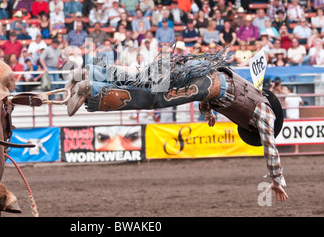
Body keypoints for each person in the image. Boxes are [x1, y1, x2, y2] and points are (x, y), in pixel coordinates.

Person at [65, 51, 288, 202]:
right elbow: (270, 146)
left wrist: (208, 112)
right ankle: (91, 92)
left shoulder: (249, 97)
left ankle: (88, 74)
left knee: (141, 79)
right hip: (203, 79)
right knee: (154, 97)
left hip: (197, 70)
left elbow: (213, 89)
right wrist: (276, 179)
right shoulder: (265, 114)